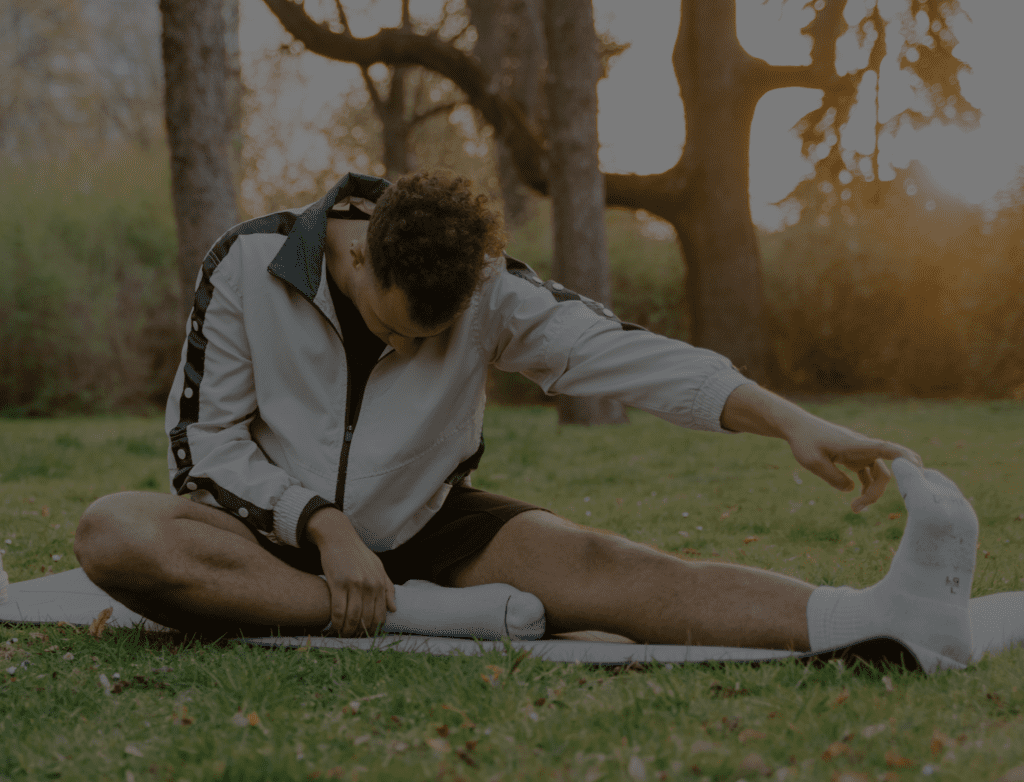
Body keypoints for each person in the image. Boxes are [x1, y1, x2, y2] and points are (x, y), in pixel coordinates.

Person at [73, 171, 979, 665]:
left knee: (611, 565)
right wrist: (322, 525)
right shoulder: (247, 264)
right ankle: (423, 618)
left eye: (430, 340)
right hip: (268, 540)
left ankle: (871, 618)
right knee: (115, 533)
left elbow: (626, 355)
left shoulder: (489, 288)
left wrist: (788, 421)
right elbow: (204, 448)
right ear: (356, 261)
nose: (409, 347)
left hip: (428, 527)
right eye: (394, 328)